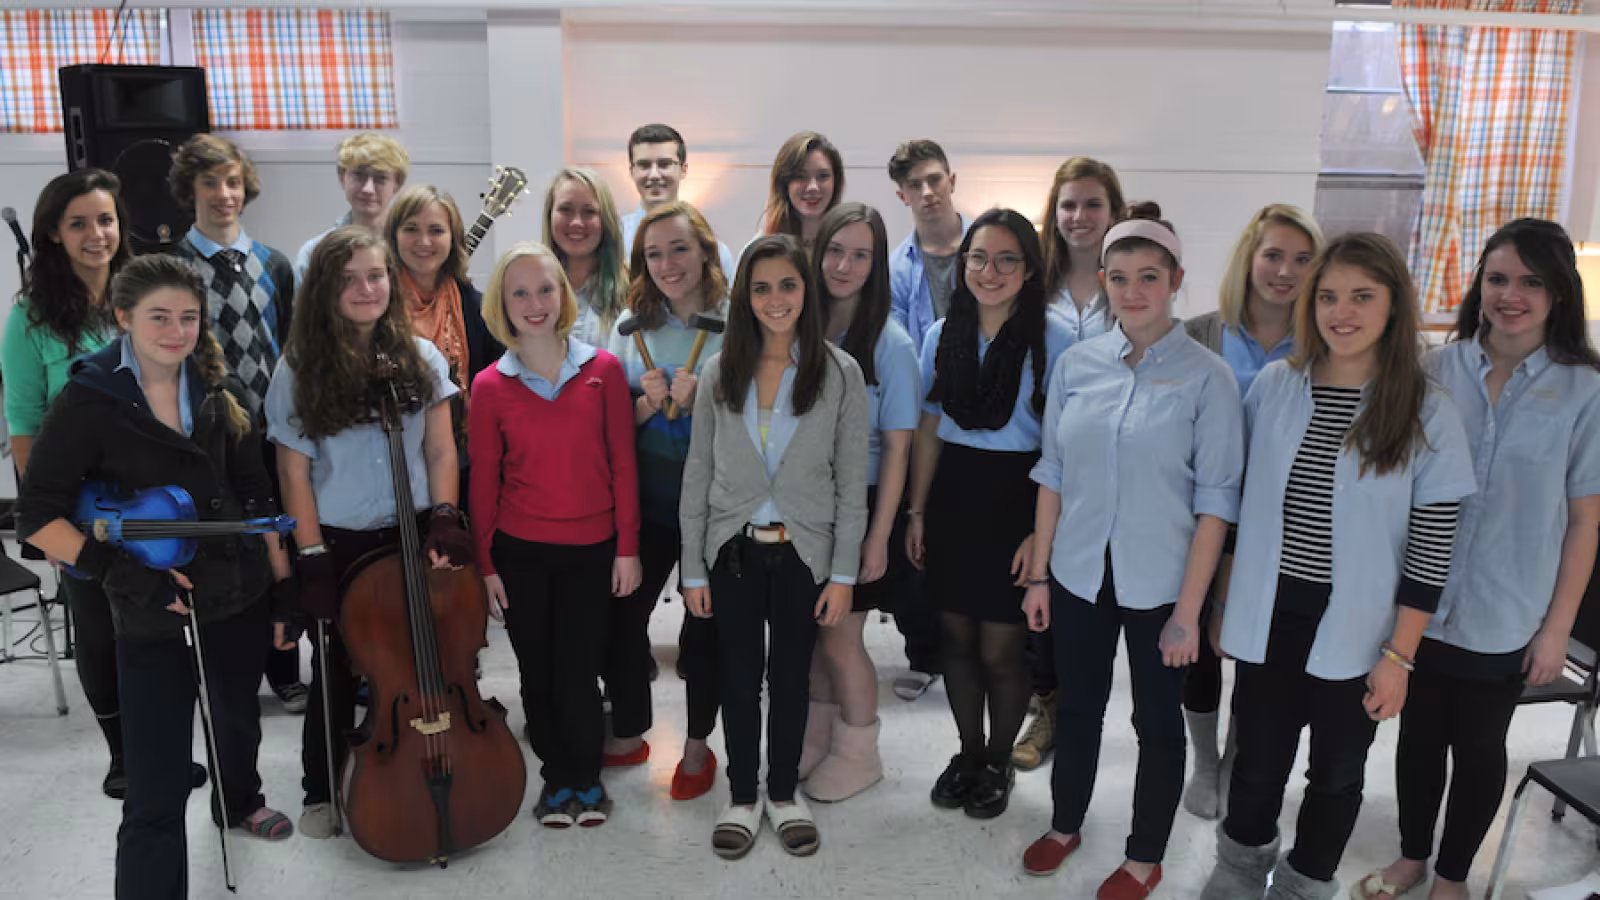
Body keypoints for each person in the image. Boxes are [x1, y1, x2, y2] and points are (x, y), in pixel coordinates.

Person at [1201, 233, 1478, 900]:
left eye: (1362, 296)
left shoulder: (1426, 409)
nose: (1341, 312)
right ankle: (1237, 874)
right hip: (1271, 615)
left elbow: (1431, 548)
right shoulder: (1275, 386)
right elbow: (1239, 511)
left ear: (1393, 306)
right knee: (1257, 765)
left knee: (1336, 773)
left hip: (1361, 630)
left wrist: (1400, 657)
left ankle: (1304, 883)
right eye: (1327, 296)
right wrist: (1221, 603)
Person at [18, 254, 297, 900]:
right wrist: (125, 575)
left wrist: (283, 586)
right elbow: (37, 514)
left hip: (234, 590)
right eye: (159, 318)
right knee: (154, 788)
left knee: (236, 718)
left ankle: (240, 798)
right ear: (122, 318)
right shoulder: (91, 397)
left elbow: (255, 491)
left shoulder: (215, 385)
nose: (176, 332)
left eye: (189, 319)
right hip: (146, 607)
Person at [1355, 219, 1600, 900]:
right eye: (1497, 278)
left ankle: (1453, 876)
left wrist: (1556, 629)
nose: (1510, 294)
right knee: (1417, 739)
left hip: (1507, 607)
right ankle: (1411, 856)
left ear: (1558, 292)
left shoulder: (1585, 389)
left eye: (1530, 281)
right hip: (1420, 601)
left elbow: (1585, 519)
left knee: (1479, 747)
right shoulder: (1436, 368)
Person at [1018, 209, 1245, 899]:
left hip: (1163, 586)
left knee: (1156, 723)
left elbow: (1216, 503)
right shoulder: (1078, 365)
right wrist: (1038, 575)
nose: (1133, 291)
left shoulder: (1209, 378)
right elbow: (1053, 472)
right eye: (1119, 278)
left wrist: (1189, 611)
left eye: (1149, 277)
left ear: (1176, 281)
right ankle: (1065, 824)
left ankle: (1146, 855)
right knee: (1079, 707)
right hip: (1080, 572)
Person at [265, 226, 471, 840]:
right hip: (341, 539)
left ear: (392, 281)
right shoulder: (299, 366)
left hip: (411, 531)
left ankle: (426, 765)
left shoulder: (423, 357)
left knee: (428, 659)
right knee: (336, 668)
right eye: (349, 278)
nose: (365, 288)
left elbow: (440, 450)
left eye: (375, 275)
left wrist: (446, 516)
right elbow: (292, 468)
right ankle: (319, 789)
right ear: (325, 289)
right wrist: (312, 558)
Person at [679, 234, 868, 859]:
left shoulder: (839, 374)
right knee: (737, 678)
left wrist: (843, 575)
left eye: (788, 285)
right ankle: (741, 794)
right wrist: (692, 571)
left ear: (807, 291)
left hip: (804, 555)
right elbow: (698, 475)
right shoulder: (719, 372)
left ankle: (784, 792)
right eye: (761, 287)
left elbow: (849, 486)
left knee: (790, 678)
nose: (775, 299)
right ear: (744, 297)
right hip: (731, 552)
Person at [905, 207, 1075, 820]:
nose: (990, 270)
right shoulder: (940, 333)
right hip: (954, 492)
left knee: (1004, 648)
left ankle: (999, 758)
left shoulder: (1056, 338)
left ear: (1029, 270)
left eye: (1007, 259)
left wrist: (1041, 533)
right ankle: (968, 754)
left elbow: (1061, 445)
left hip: (1019, 494)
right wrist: (918, 511)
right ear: (964, 263)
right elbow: (929, 427)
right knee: (955, 639)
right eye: (979, 257)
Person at [470, 240, 641, 828]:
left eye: (545, 289)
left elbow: (623, 464)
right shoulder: (489, 386)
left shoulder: (604, 371)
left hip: (592, 552)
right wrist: (486, 564)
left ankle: (586, 780)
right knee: (535, 672)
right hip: (520, 555)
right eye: (520, 292)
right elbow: (485, 484)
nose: (535, 303)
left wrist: (628, 548)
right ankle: (556, 777)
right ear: (503, 304)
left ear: (563, 296)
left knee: (578, 669)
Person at [1180, 203, 1324, 820]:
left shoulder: (1324, 343)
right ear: (1249, 259)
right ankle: (1205, 759)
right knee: (1196, 644)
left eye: (1301, 259)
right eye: (1273, 255)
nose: (1285, 271)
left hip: (1281, 526)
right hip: (1202, 518)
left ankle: (1240, 755)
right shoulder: (1199, 333)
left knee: (1258, 647)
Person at [166, 133, 307, 715]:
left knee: (282, 542)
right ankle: (232, 667)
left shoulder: (273, 262)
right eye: (209, 183)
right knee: (228, 548)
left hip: (272, 429)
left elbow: (293, 343)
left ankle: (284, 664)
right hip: (209, 434)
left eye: (231, 182)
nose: (223, 194)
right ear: (189, 191)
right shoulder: (173, 264)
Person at [2, 169, 130, 796]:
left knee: (159, 624)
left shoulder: (141, 294)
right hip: (77, 503)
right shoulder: (29, 318)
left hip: (153, 494)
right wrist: (49, 513)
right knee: (98, 628)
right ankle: (120, 752)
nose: (95, 234)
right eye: (78, 222)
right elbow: (24, 427)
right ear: (53, 233)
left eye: (104, 220)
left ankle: (161, 738)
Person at [604, 201, 729, 797]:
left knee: (702, 630)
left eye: (679, 248)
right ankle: (629, 730)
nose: (667, 263)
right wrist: (644, 404)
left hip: (714, 508)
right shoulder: (632, 326)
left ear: (704, 249)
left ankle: (700, 747)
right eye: (653, 253)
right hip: (648, 505)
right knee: (621, 615)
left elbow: (764, 420)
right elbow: (607, 429)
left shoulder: (741, 320)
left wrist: (708, 395)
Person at [799, 202, 919, 802]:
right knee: (819, 632)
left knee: (844, 639)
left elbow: (899, 448)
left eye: (861, 254)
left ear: (877, 264)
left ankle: (860, 748)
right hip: (808, 501)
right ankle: (819, 736)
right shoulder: (802, 326)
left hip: (865, 503)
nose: (845, 265)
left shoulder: (891, 343)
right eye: (836, 251)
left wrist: (879, 535)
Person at [1011, 156, 1128, 772]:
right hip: (1036, 460)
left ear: (1115, 212)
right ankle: (1045, 703)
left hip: (1105, 469)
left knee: (1086, 593)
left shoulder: (1129, 287)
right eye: (1068, 206)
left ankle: (1077, 709)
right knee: (1037, 591)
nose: (1079, 218)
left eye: (1093, 205)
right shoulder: (1033, 287)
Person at [884, 139, 966, 702]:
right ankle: (924, 652)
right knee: (911, 536)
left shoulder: (993, 244)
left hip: (992, 421)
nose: (927, 192)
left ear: (952, 179)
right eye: (915, 185)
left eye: (934, 179)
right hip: (922, 420)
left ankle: (981, 651)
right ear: (902, 194)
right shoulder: (895, 268)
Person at [383, 183, 505, 504]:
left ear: (454, 239)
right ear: (393, 235)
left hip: (462, 460)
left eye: (436, 230)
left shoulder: (478, 307)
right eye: (411, 229)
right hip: (388, 462)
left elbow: (500, 381)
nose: (424, 241)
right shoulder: (375, 304)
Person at [619, 123, 738, 277]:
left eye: (665, 164)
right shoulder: (613, 241)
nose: (654, 174)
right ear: (632, 171)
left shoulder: (714, 250)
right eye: (644, 165)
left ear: (683, 169)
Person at [294, 133, 410, 283]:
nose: (368, 188)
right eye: (359, 175)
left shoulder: (410, 249)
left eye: (380, 178)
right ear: (342, 179)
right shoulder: (315, 252)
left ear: (397, 185)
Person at [542, 167, 628, 349]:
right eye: (566, 209)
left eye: (589, 212)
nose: (577, 222)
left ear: (605, 220)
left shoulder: (631, 292)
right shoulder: (531, 291)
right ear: (550, 215)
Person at [756, 132, 844, 252]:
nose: (813, 187)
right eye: (801, 176)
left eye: (823, 176)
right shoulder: (760, 250)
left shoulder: (850, 247)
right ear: (784, 184)